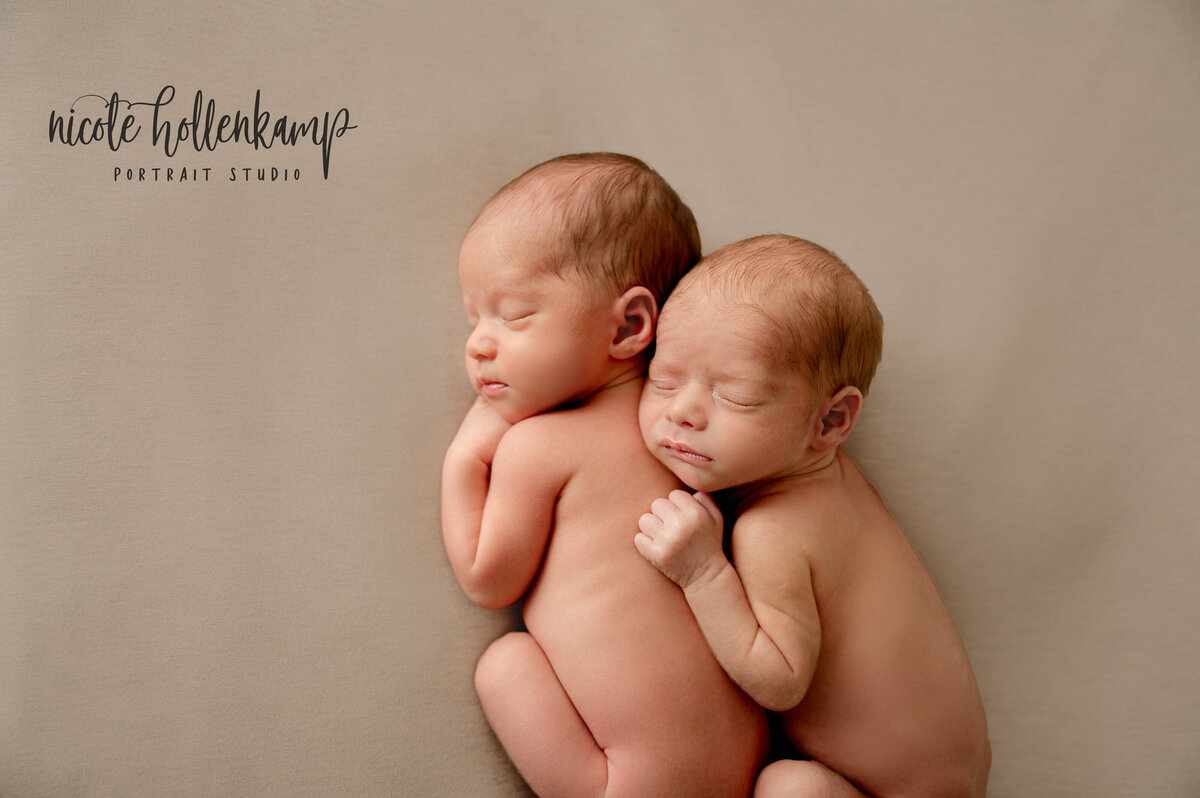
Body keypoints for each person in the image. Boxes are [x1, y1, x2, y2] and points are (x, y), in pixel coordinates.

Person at [441, 153, 767, 797]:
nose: (479, 344)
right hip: (747, 757)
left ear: (629, 325)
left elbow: (487, 579)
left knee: (504, 662)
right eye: (472, 319)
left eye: (514, 315)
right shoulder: (686, 437)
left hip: (633, 781)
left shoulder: (538, 448)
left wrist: (466, 458)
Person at [636, 234, 991, 797]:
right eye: (662, 379)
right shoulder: (833, 484)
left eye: (739, 397)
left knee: (790, 788)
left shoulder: (773, 527)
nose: (680, 412)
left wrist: (702, 572)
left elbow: (780, 680)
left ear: (829, 422)